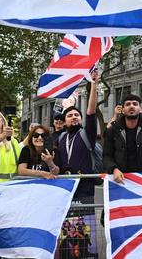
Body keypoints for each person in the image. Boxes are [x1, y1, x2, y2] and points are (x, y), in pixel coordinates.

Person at [55, 70, 99, 202]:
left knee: (85, 222)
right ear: (64, 121)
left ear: (81, 119)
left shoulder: (87, 134)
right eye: (70, 116)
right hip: (64, 188)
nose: (74, 117)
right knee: (66, 222)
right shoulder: (61, 138)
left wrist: (94, 85)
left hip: (85, 188)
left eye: (76, 115)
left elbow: (91, 112)